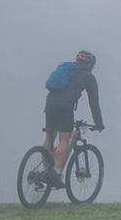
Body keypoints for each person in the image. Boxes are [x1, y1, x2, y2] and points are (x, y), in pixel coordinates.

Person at [41, 50, 104, 188]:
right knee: (64, 139)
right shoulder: (88, 77)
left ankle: (44, 170)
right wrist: (99, 124)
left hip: (50, 103)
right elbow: (94, 102)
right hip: (65, 107)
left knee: (49, 137)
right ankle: (56, 172)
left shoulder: (66, 68)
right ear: (89, 64)